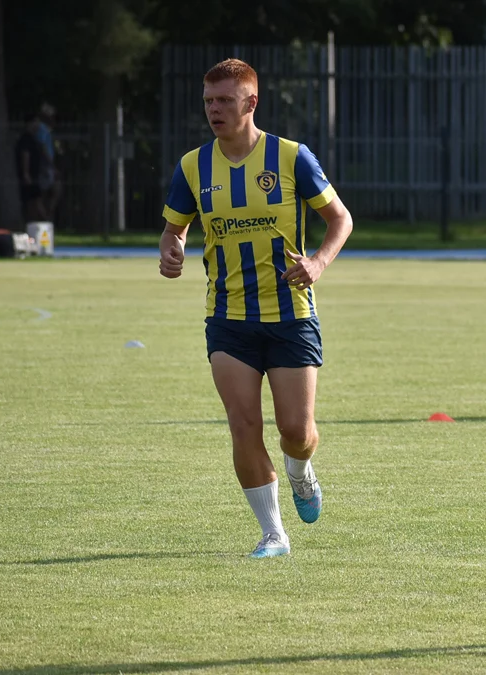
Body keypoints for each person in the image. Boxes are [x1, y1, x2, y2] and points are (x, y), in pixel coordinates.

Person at [157, 58, 354, 558]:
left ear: (251, 102)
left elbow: (340, 220)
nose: (214, 110)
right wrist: (171, 248)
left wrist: (318, 262)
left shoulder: (291, 158)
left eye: (225, 100)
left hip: (291, 314)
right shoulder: (192, 165)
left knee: (297, 431)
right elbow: (175, 227)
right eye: (208, 101)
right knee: (243, 425)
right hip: (227, 318)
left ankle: (300, 471)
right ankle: (273, 534)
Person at [14, 113, 47, 222]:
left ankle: (39, 223)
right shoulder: (26, 139)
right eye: (36, 122)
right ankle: (46, 223)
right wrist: (26, 173)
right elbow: (25, 155)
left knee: (34, 201)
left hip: (35, 175)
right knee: (34, 201)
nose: (38, 125)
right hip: (30, 176)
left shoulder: (34, 138)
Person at [34, 103, 63, 220]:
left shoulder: (46, 130)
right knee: (47, 191)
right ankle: (46, 216)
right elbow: (42, 148)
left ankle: (47, 214)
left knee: (55, 189)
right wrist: (50, 165)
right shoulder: (41, 129)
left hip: (47, 165)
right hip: (45, 166)